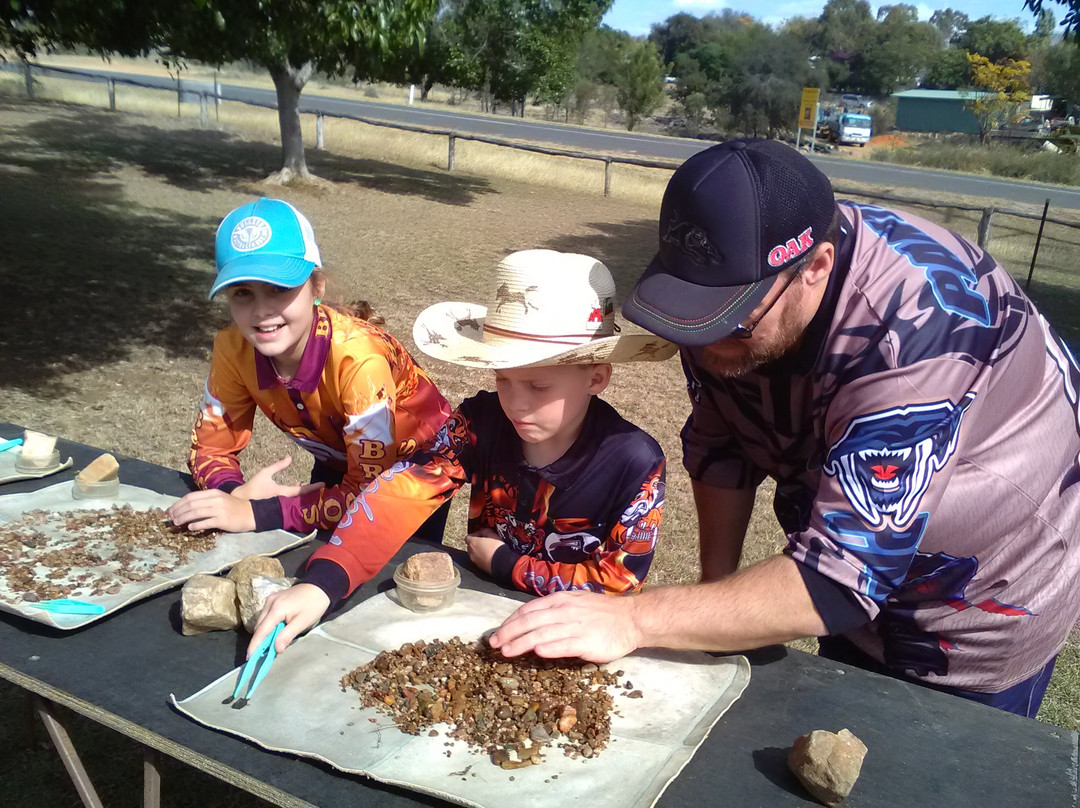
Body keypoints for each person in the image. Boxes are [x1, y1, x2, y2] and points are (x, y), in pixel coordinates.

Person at [488, 138, 1080, 718]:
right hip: (847, 591)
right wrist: (713, 603)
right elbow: (722, 440)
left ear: (815, 267)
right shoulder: (728, 302)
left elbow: (841, 578)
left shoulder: (917, 335)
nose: (703, 342)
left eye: (732, 325)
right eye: (690, 320)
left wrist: (635, 619)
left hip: (976, 608)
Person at [248, 249, 677, 656]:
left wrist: (506, 563)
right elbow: (401, 492)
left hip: (575, 635)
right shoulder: (479, 423)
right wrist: (323, 582)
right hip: (478, 623)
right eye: (503, 380)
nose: (515, 402)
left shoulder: (634, 462)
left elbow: (619, 584)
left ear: (596, 377)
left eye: (538, 386)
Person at [167, 197, 452, 536]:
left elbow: (369, 496)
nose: (261, 311)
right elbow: (211, 448)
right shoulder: (233, 348)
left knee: (384, 569)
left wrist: (258, 514)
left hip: (419, 467)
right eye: (242, 292)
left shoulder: (359, 360)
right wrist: (233, 493)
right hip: (341, 455)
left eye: (279, 287)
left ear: (317, 287)